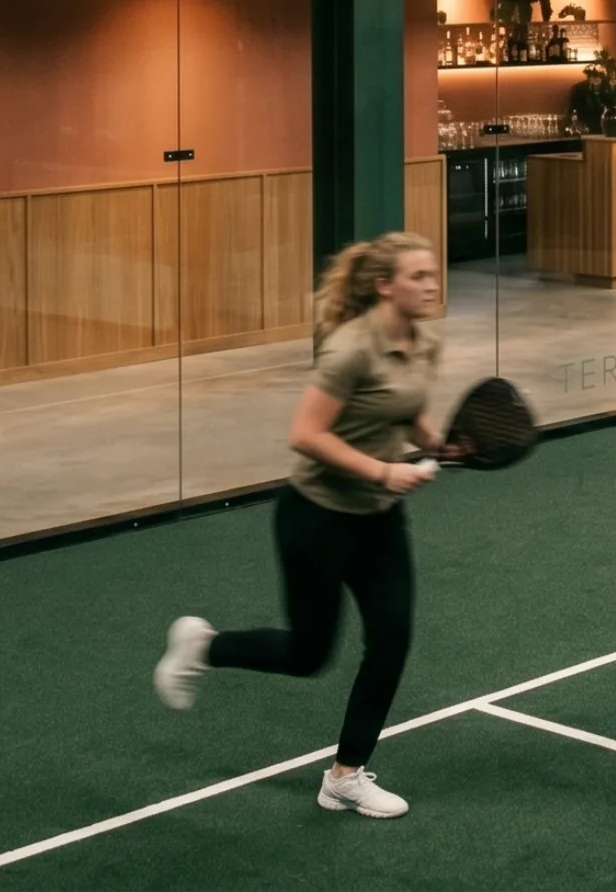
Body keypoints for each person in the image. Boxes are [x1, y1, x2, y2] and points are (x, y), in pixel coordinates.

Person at [153, 232, 451, 819]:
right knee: (308, 654)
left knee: (391, 639)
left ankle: (344, 777)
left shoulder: (422, 341)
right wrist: (383, 471)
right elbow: (306, 435)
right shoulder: (349, 348)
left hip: (378, 521)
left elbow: (403, 407)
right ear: (384, 286)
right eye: (418, 276)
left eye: (433, 274)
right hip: (316, 517)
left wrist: (436, 440)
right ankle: (204, 647)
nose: (431, 284)